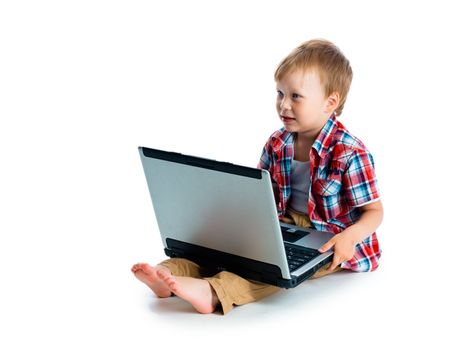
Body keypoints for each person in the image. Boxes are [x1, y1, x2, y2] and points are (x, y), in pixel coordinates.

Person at [131, 39, 383, 315]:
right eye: (279, 93)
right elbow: (260, 191)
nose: (284, 105)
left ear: (329, 102)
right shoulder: (277, 143)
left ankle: (214, 292)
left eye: (295, 96)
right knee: (225, 250)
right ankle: (167, 274)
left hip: (328, 239)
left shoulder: (349, 152)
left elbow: (373, 212)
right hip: (282, 224)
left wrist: (349, 237)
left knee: (272, 271)